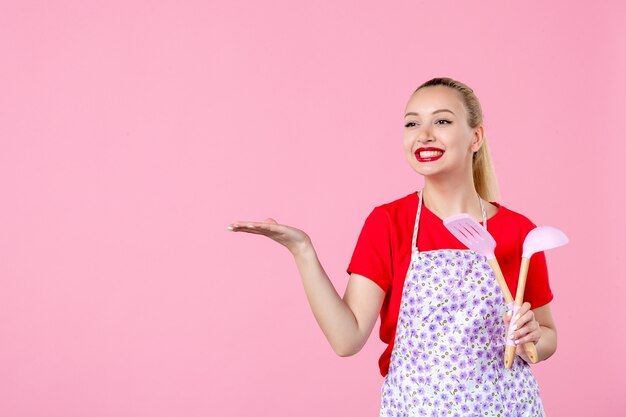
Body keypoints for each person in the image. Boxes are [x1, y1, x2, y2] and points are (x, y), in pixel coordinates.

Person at [228, 77, 557, 416]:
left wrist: (531, 338)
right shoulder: (388, 223)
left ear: (476, 137)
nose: (424, 134)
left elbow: (547, 337)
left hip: (506, 408)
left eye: (442, 121)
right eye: (412, 123)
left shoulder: (519, 231)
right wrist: (302, 251)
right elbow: (347, 338)